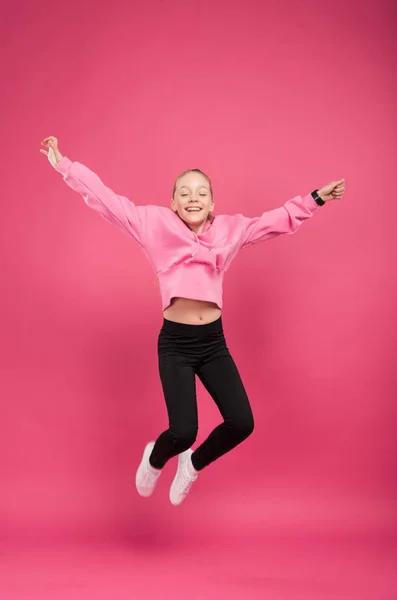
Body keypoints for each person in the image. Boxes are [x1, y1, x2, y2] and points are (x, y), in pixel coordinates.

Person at [40, 136, 345, 506]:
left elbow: (274, 222)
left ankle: (192, 465)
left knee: (242, 423)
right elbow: (106, 199)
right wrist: (64, 165)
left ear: (213, 203)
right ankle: (155, 458)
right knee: (183, 431)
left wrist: (316, 198)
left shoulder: (231, 230)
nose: (193, 198)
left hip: (213, 344)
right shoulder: (152, 224)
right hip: (176, 345)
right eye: (184, 192)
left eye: (201, 192)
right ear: (173, 203)